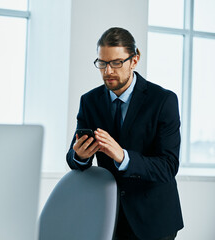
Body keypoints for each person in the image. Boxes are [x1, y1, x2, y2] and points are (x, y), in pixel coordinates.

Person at [66, 27, 183, 240]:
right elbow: (74, 160)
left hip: (154, 219)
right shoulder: (89, 101)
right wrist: (80, 156)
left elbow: (168, 166)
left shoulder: (163, 100)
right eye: (102, 63)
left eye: (116, 63)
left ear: (135, 60)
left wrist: (123, 157)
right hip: (110, 217)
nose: (108, 71)